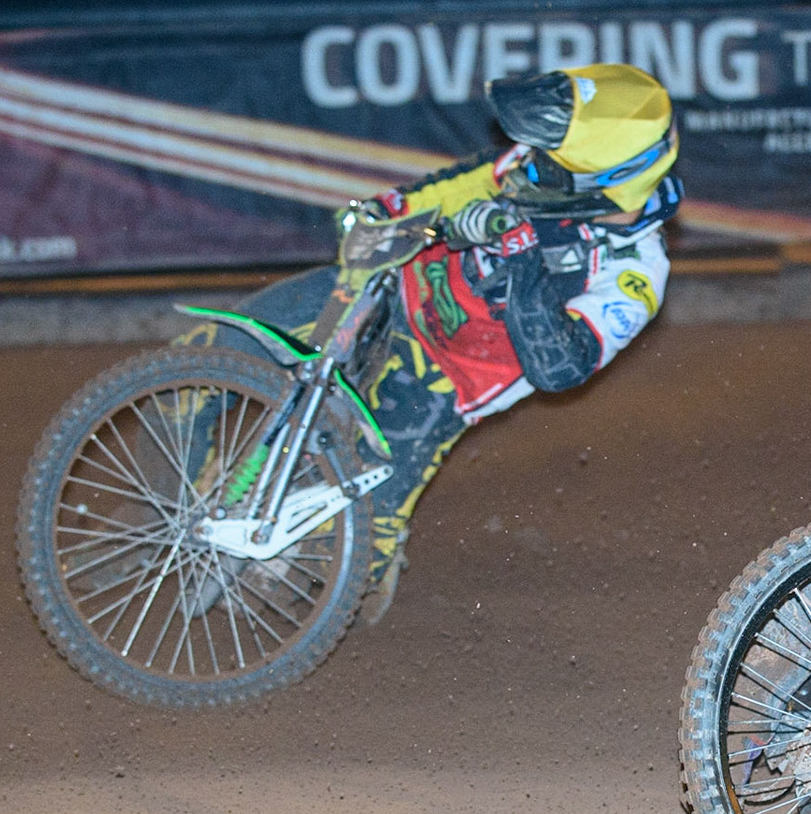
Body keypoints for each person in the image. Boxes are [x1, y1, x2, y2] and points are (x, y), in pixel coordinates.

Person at [185, 62, 680, 621]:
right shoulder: (545, 163)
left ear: (600, 181)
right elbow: (467, 181)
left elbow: (559, 370)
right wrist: (392, 209)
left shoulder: (633, 275)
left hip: (445, 380)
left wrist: (524, 270)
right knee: (198, 360)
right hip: (394, 288)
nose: (529, 164)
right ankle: (164, 512)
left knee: (319, 578)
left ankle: (368, 547)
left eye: (550, 162)